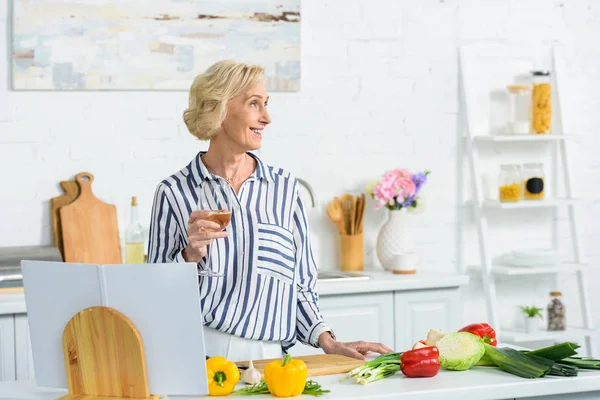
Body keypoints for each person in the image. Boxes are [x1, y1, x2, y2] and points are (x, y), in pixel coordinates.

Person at [147, 60, 393, 362]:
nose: (267, 117)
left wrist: (328, 342)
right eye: (254, 104)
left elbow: (301, 285)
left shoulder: (284, 188)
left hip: (272, 358)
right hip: (199, 355)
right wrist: (188, 257)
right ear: (219, 109)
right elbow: (154, 295)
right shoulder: (173, 192)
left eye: (266, 104)